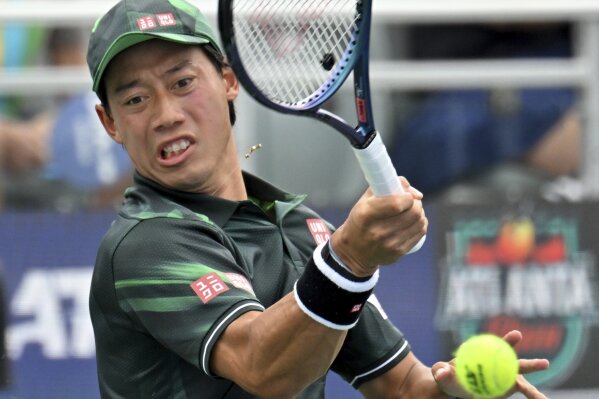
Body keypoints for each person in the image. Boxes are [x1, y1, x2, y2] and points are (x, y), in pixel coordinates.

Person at [86, 1, 550, 398]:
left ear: (228, 80)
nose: (166, 114)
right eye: (135, 100)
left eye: (182, 83)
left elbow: (404, 386)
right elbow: (264, 367)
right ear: (110, 124)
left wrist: (451, 388)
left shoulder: (299, 227)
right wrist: (349, 258)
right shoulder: (145, 243)